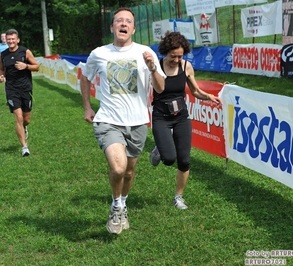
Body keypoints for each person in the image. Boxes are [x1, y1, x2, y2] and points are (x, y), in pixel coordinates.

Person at [80, 7, 166, 235]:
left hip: (138, 122)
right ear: (112, 27)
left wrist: (152, 68)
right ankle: (116, 206)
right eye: (119, 20)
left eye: (128, 21)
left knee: (128, 172)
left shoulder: (146, 52)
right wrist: (88, 107)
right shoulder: (99, 53)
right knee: (118, 168)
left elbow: (160, 87)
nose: (123, 24)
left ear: (133, 29)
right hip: (108, 120)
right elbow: (85, 77)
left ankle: (122, 203)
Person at [149, 31, 222, 209]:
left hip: (181, 117)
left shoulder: (186, 66)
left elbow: (195, 90)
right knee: (169, 159)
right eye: (173, 56)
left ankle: (178, 197)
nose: (176, 59)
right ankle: (160, 149)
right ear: (166, 52)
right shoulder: (156, 67)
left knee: (185, 160)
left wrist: (208, 96)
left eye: (180, 56)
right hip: (161, 117)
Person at [0, 29, 39, 157]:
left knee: (26, 119)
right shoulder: (2, 55)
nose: (10, 41)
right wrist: (1, 76)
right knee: (18, 117)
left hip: (26, 88)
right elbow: (1, 69)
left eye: (12, 39)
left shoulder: (25, 52)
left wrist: (25, 66)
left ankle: (25, 127)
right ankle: (24, 147)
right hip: (11, 89)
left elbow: (37, 67)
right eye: (8, 39)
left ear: (17, 40)